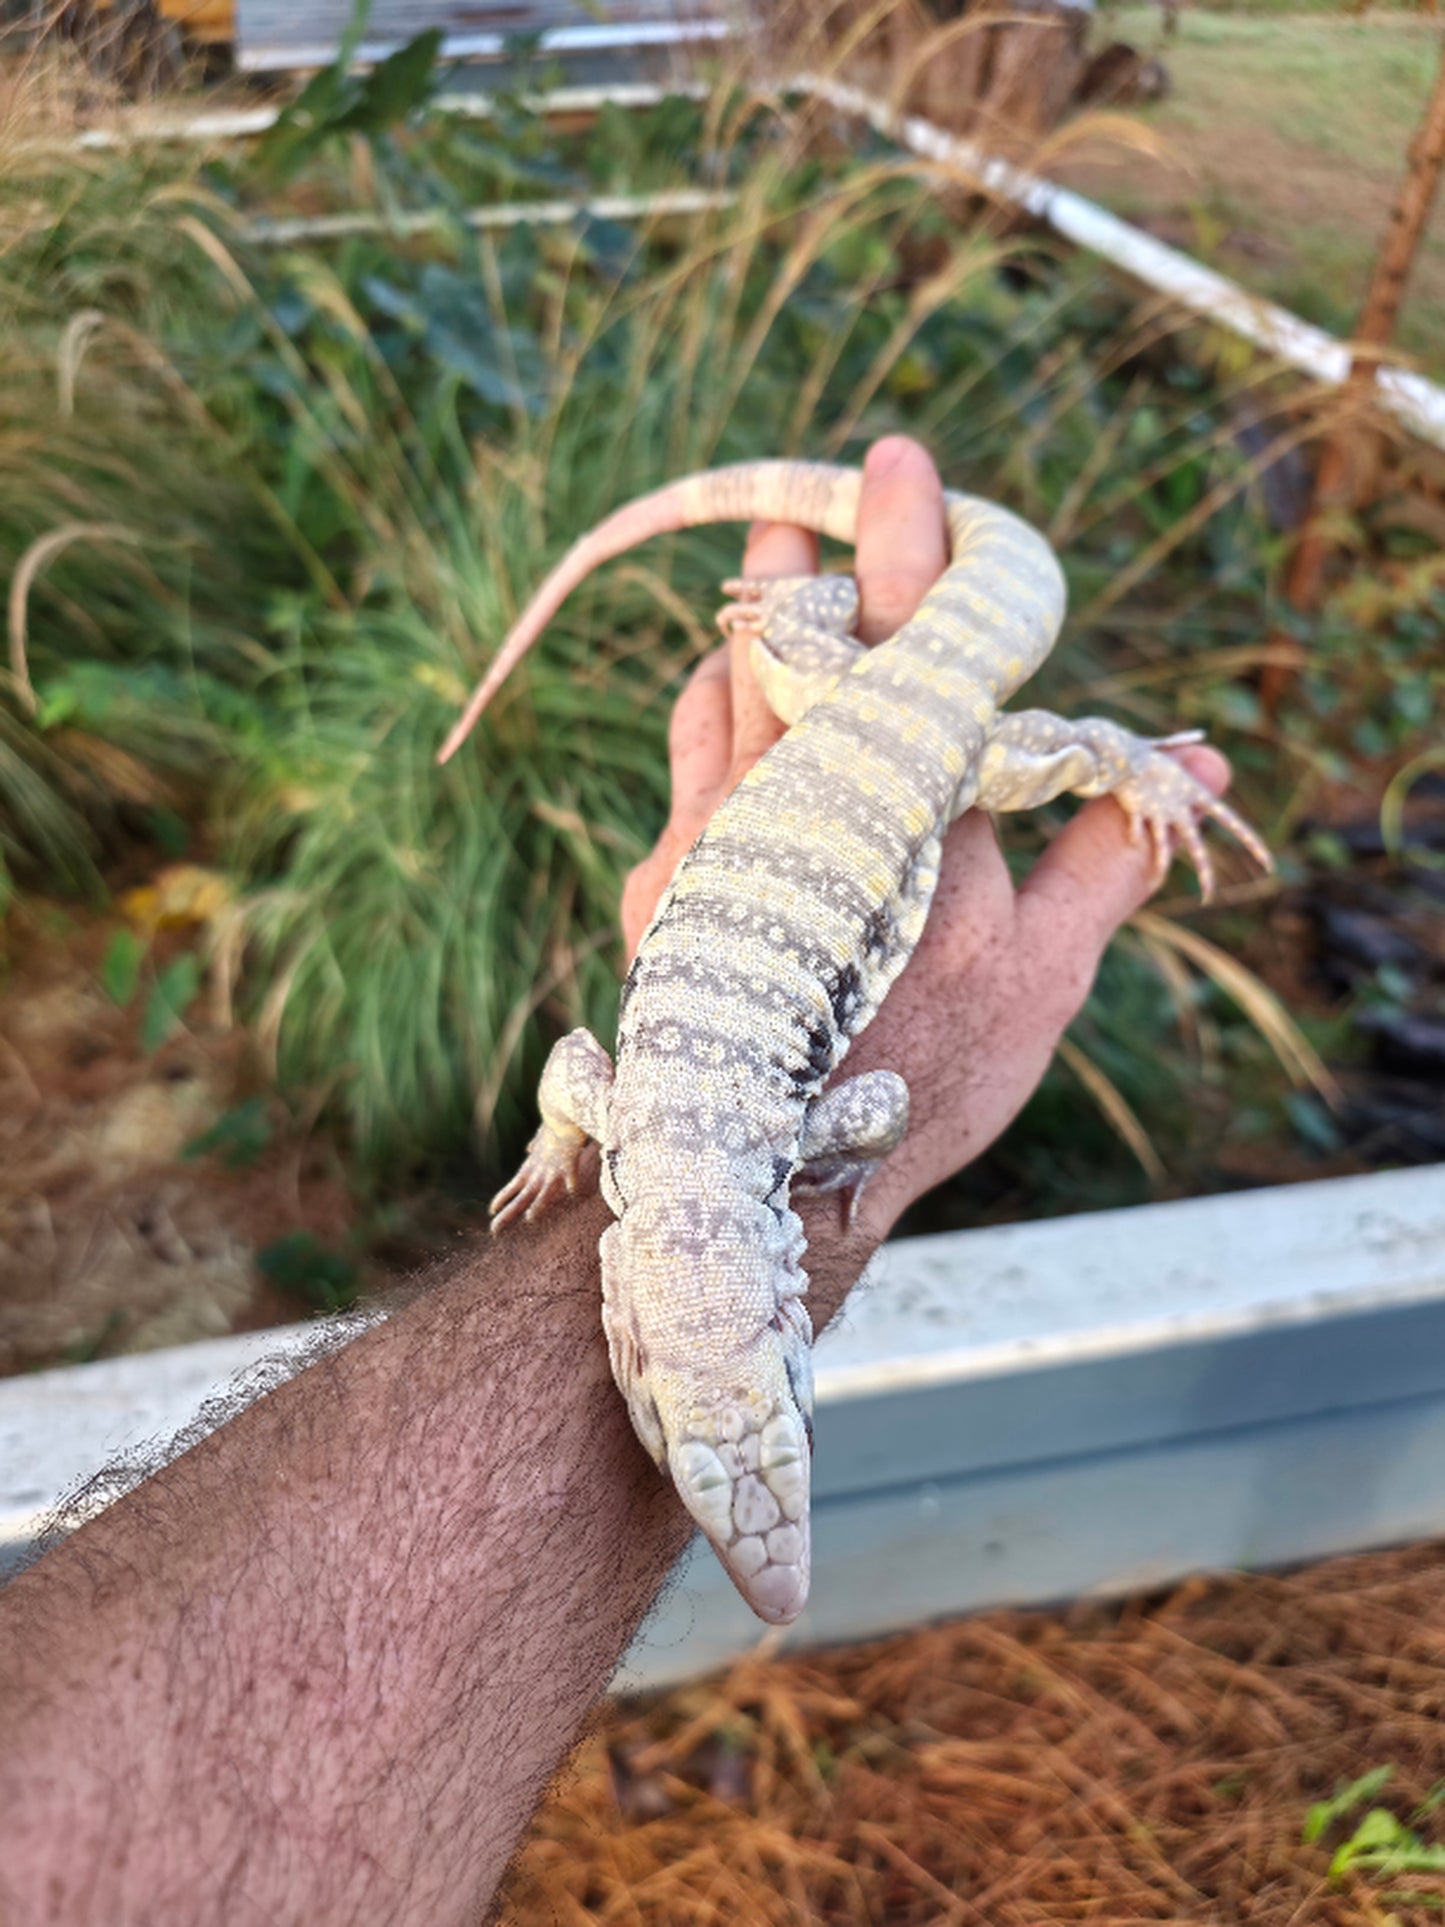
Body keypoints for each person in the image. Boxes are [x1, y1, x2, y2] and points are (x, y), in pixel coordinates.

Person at [0, 437, 1233, 1924]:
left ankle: (1109, 746)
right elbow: (579, 1067)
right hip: (868, 738)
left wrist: (1123, 767)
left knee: (1051, 750)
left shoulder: (780, 1140)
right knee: (853, 670)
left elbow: (874, 1100)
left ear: (644, 1345)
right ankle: (848, 635)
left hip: (913, 744)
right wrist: (558, 1144)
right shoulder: (625, 1113)